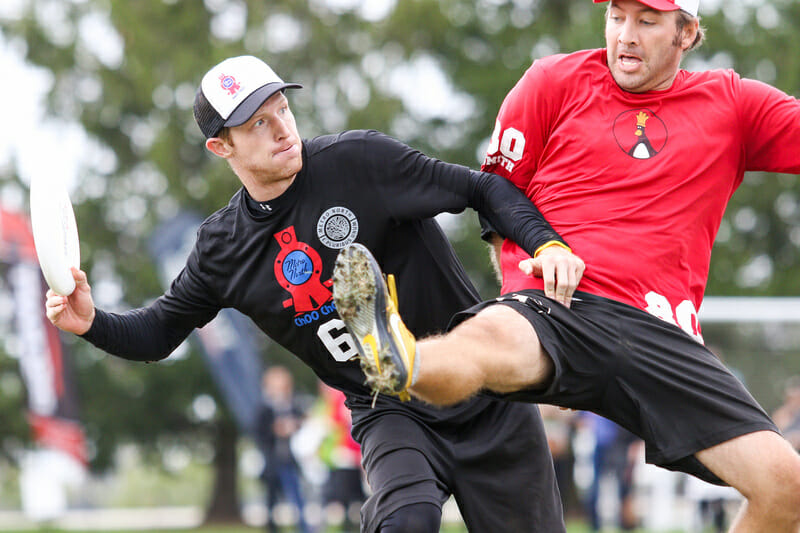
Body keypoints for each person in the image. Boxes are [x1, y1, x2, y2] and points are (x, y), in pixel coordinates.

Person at [44, 54, 587, 531]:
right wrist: (91, 322)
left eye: (283, 109)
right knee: (405, 518)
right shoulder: (221, 248)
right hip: (390, 407)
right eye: (259, 123)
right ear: (221, 146)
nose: (282, 128)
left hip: (486, 390)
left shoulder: (359, 162)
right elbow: (159, 330)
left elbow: (479, 187)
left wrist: (546, 245)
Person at [332, 0, 800, 531]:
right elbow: (498, 198)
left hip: (661, 332)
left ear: (686, 34)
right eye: (616, 17)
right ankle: (397, 355)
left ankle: (408, 356)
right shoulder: (551, 82)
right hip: (558, 306)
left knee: (786, 486)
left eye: (647, 22)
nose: (626, 35)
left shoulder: (733, 103)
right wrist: (527, 266)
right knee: (485, 341)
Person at [256, 366, 311, 533]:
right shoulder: (264, 408)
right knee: (272, 501)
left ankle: (304, 528)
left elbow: (304, 422)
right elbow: (259, 432)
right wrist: (275, 429)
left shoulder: (293, 405)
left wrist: (294, 426)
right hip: (273, 461)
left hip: (290, 460)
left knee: (297, 498)